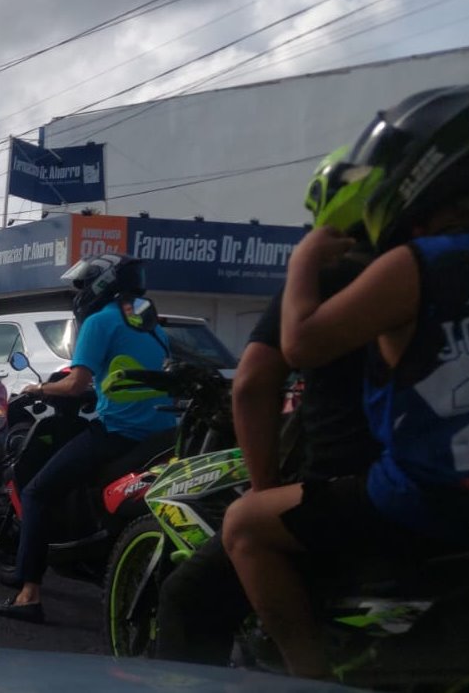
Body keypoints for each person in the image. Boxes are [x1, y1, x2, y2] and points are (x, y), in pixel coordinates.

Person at [223, 85, 469, 679]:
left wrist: (302, 264)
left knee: (243, 525)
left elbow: (300, 345)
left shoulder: (415, 264)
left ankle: (309, 676)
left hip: (422, 496)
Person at [154, 150, 381, 665]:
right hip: (441, 492)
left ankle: (305, 670)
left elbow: (254, 385)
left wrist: (265, 491)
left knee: (189, 595)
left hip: (350, 491)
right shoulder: (445, 267)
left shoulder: (332, 274)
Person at [0, 253, 175, 622]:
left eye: (84, 284)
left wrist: (39, 388)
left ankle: (29, 595)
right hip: (160, 436)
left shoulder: (101, 322)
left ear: (100, 285)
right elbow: (125, 380)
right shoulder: (154, 328)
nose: (81, 292)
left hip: (119, 433)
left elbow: (74, 383)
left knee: (37, 492)